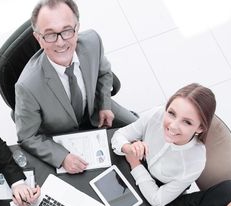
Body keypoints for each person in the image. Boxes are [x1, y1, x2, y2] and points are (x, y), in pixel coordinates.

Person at [14, 0, 138, 173]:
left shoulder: (93, 41)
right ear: (38, 39)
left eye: (67, 31)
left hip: (96, 108)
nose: (60, 43)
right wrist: (62, 157)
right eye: (50, 35)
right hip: (61, 133)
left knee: (142, 131)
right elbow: (27, 137)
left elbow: (104, 73)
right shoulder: (27, 86)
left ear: (77, 28)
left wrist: (104, 104)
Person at [111, 83, 215, 206]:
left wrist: (134, 163)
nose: (173, 126)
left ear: (200, 128)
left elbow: (157, 200)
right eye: (171, 113)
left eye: (186, 122)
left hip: (154, 188)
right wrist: (128, 148)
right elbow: (119, 135)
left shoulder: (194, 162)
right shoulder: (157, 115)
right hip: (133, 171)